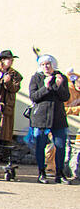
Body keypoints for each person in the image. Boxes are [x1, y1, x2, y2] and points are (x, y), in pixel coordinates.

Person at [28, 54, 71, 184]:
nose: (46, 67)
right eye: (43, 64)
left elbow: (65, 97)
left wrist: (59, 85)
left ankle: (59, 173)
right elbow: (34, 96)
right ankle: (42, 172)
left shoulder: (61, 77)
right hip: (40, 117)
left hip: (58, 117)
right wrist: (46, 87)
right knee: (40, 145)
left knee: (60, 145)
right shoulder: (36, 77)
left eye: (48, 64)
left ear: (53, 64)